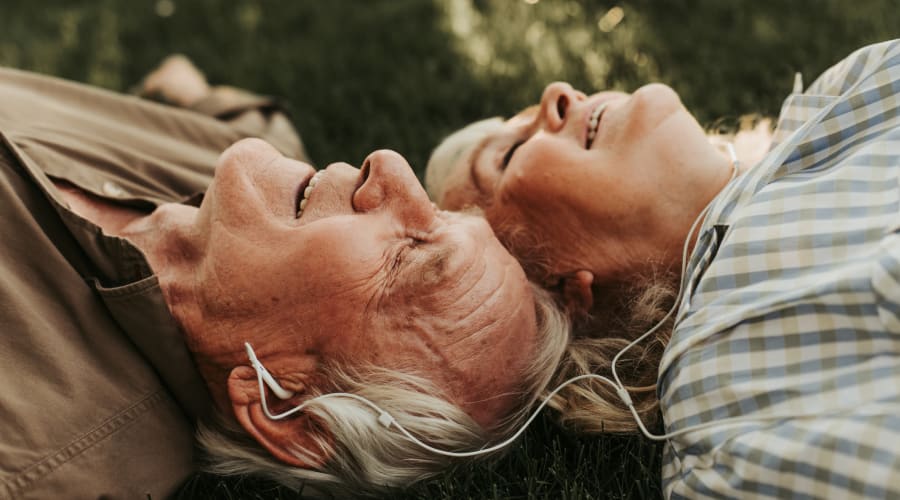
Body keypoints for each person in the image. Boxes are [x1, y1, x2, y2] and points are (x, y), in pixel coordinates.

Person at [0, 57, 568, 498]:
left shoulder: (28, 452)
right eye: (440, 213)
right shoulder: (223, 163)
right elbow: (247, 117)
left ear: (291, 412)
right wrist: (190, 91)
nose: (390, 165)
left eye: (407, 258)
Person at [426, 40, 900, 497]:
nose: (558, 92)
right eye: (507, 154)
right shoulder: (726, 423)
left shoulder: (839, 94)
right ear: (562, 290)